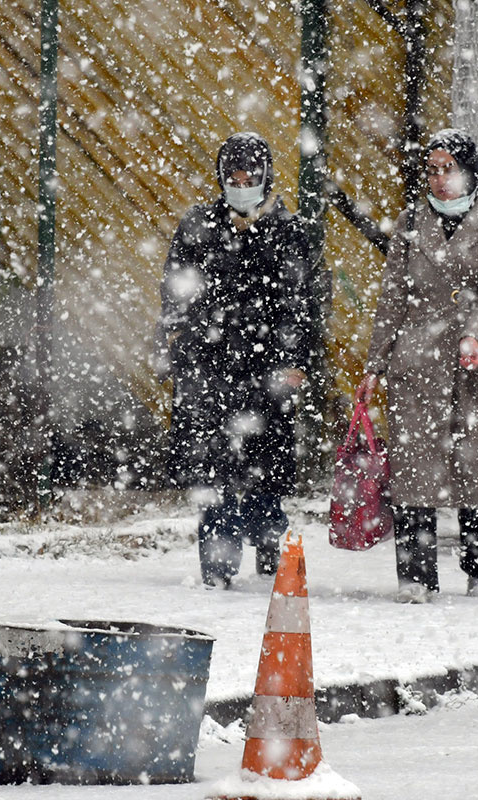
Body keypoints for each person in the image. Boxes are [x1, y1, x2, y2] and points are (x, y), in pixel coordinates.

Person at [358, 128, 478, 603]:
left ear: (470, 171)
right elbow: (391, 299)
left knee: (477, 471)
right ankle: (415, 579)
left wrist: (475, 332)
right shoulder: (411, 223)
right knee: (415, 474)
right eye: (431, 169)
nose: (438, 178)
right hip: (417, 361)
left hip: (477, 361)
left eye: (448, 168)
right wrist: (375, 365)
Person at [155, 132, 320, 588]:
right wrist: (173, 343)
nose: (240, 182)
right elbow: (174, 289)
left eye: (249, 175)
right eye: (232, 174)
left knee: (265, 473)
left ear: (266, 175)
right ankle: (218, 571)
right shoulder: (199, 225)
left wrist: (294, 359)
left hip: (266, 371)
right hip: (208, 368)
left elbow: (300, 302)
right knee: (215, 476)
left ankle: (273, 563)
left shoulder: (288, 230)